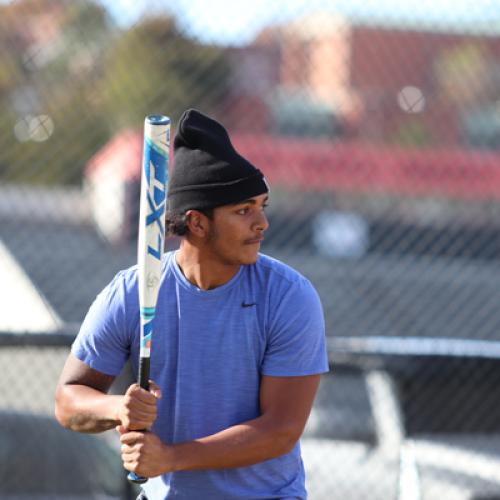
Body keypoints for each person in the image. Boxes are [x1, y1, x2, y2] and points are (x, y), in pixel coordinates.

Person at [55, 109, 329, 500]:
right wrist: (119, 408)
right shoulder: (129, 292)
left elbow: (281, 430)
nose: (262, 223)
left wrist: (170, 458)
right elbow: (68, 402)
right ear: (197, 223)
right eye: (243, 210)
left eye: (261, 206)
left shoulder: (288, 296)